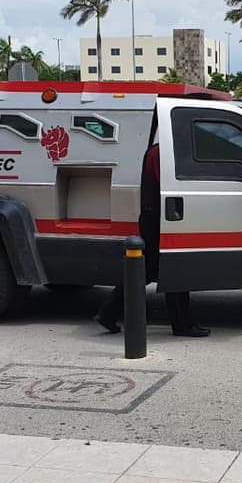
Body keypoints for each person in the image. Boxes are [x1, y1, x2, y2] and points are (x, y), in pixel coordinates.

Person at [97, 141, 210, 337]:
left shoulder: (158, 150)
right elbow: (169, 183)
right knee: (173, 268)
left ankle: (108, 313)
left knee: (147, 270)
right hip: (158, 217)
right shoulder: (161, 153)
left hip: (155, 216)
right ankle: (181, 324)